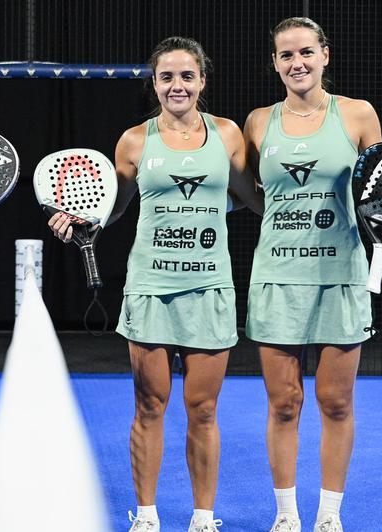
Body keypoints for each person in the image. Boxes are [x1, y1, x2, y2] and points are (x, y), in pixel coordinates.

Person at [49, 36, 263, 532]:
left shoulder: (228, 135)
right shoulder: (134, 141)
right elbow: (112, 206)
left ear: (202, 81)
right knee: (149, 405)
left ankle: (203, 518)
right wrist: (79, 220)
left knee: (203, 409)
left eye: (187, 76)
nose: (177, 85)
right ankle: (146, 517)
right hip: (150, 288)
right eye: (167, 77)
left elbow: (256, 199)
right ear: (155, 83)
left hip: (210, 287)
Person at [242, 17, 382, 532]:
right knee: (284, 403)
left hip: (341, 275)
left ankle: (328, 516)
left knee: (335, 402)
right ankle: (287, 517)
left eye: (306, 52)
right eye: (286, 55)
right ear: (275, 64)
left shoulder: (358, 115)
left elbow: (378, 194)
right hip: (276, 277)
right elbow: (252, 192)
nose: (297, 63)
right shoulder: (257, 122)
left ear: (325, 55)